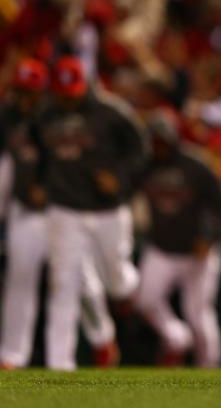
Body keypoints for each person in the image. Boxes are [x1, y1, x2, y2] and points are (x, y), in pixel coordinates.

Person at [0, 59, 116, 369]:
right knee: (20, 278)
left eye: (31, 93)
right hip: (25, 210)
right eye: (20, 92)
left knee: (83, 282)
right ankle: (12, 354)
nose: (24, 100)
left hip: (63, 209)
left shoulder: (59, 118)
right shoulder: (7, 118)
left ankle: (102, 335)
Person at [35, 56, 146, 371]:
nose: (68, 100)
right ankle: (61, 366)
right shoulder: (44, 115)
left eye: (73, 94)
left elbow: (141, 152)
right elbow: (33, 151)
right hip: (65, 209)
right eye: (63, 95)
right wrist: (38, 182)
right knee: (63, 285)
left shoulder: (111, 112)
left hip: (107, 210)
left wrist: (120, 180)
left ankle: (125, 292)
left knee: (115, 281)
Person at [136, 112, 221, 367]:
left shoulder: (195, 165)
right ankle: (176, 338)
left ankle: (209, 367)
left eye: (162, 141)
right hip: (162, 247)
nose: (159, 147)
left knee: (199, 315)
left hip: (197, 249)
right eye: (154, 141)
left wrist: (210, 237)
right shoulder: (145, 165)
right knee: (146, 300)